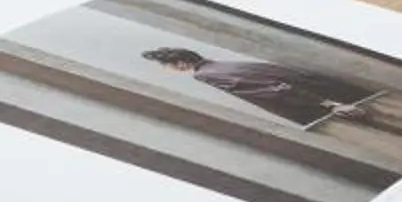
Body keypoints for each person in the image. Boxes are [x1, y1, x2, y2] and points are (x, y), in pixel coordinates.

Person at [142, 45, 382, 128]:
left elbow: (272, 89)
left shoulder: (205, 75)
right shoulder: (223, 64)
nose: (168, 70)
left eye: (167, 66)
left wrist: (329, 105)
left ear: (181, 64)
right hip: (344, 94)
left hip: (328, 108)